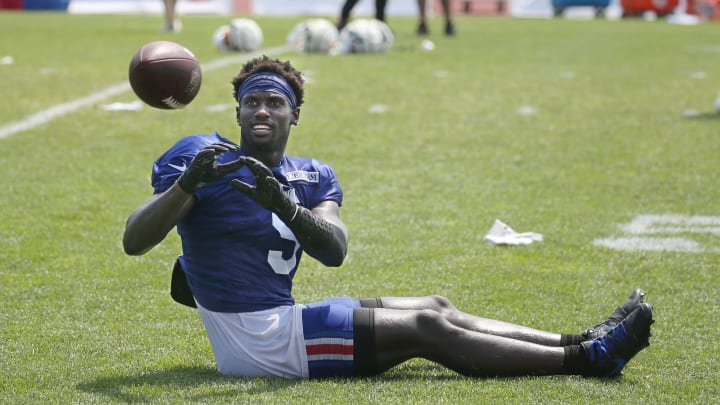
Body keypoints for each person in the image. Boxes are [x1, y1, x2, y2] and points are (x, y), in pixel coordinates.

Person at [122, 55, 654, 379]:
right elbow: (135, 240)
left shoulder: (313, 175)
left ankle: (579, 340)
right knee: (426, 328)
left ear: (294, 115)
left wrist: (284, 205)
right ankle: (589, 361)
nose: (262, 110)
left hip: (282, 320)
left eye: (274, 103)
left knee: (436, 306)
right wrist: (186, 184)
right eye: (252, 102)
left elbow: (334, 250)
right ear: (236, 111)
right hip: (257, 342)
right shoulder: (205, 157)